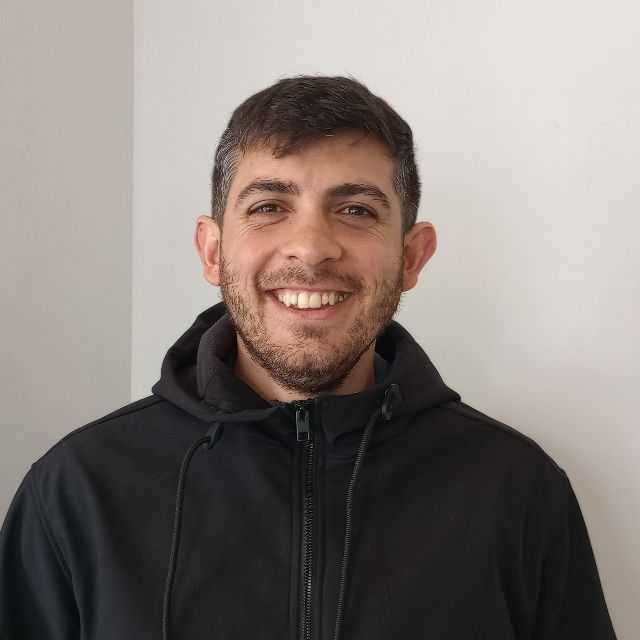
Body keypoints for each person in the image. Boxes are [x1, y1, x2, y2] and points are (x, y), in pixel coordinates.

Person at [0, 75, 617, 640]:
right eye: (269, 207)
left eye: (356, 210)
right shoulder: (78, 490)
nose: (312, 248)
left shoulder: (518, 490)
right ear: (213, 251)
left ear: (412, 257)